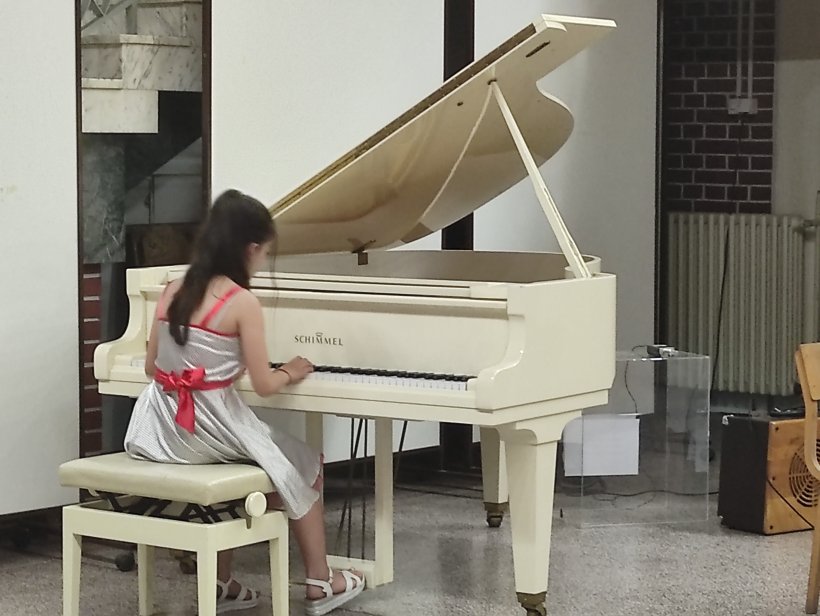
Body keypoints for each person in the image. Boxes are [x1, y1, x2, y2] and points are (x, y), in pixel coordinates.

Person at [123, 189, 364, 615]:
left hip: (161, 428)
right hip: (208, 428)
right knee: (306, 466)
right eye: (265, 253)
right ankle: (321, 581)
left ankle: (221, 583)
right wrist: (291, 369)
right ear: (251, 249)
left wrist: (207, 372)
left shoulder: (173, 289)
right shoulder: (241, 302)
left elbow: (150, 366)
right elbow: (265, 384)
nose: (263, 260)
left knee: (261, 471)